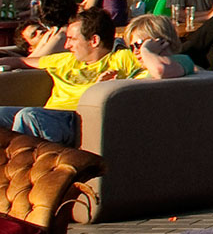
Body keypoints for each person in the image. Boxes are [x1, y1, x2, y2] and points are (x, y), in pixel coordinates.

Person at [0, 7, 185, 143]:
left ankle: (18, 179)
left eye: (72, 39)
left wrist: (143, 51)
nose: (66, 45)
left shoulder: (124, 58)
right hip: (47, 116)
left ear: (94, 40)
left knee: (29, 116)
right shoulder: (65, 59)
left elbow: (160, 67)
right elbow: (21, 62)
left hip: (75, 118)